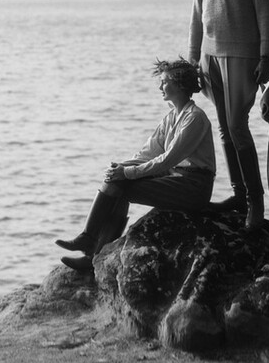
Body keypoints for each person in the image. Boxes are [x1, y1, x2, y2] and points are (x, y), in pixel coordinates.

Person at [56, 58, 216, 272]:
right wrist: (121, 168)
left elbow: (167, 160)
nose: (160, 87)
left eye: (164, 82)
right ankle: (89, 246)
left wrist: (128, 173)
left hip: (193, 186)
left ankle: (90, 247)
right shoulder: (171, 117)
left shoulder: (195, 118)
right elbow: (148, 153)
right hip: (175, 178)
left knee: (123, 187)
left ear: (179, 84)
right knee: (117, 181)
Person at [188, 0, 269, 231]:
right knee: (225, 130)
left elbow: (266, 14)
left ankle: (255, 202)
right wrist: (192, 60)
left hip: (241, 58)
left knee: (238, 127)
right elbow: (196, 19)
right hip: (209, 59)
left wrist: (265, 57)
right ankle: (239, 196)